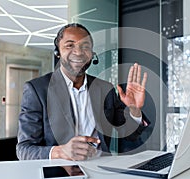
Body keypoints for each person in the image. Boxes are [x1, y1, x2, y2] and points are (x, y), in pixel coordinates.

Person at [16, 23, 150, 161]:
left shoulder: (105, 88)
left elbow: (129, 134)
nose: (79, 52)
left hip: (101, 171)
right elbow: (24, 150)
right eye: (70, 45)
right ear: (57, 52)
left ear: (92, 54)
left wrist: (134, 110)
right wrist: (60, 152)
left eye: (85, 46)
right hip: (58, 175)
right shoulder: (37, 90)